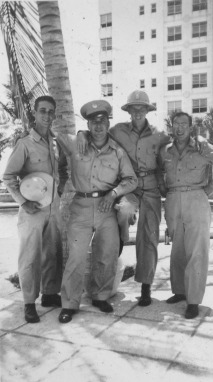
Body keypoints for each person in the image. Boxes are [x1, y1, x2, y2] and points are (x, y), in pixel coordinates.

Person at [77, 90, 171, 307]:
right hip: (128, 185)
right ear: (129, 111)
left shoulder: (160, 134)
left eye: (142, 108)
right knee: (124, 210)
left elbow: (170, 155)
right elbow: (96, 130)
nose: (138, 112)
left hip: (151, 189)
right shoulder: (117, 131)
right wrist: (82, 132)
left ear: (148, 110)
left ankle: (145, 287)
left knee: (149, 237)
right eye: (134, 108)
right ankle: (120, 237)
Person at [55, 100, 138, 323]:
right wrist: (79, 134)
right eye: (92, 122)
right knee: (76, 257)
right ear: (88, 125)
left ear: (108, 123)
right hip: (80, 207)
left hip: (106, 207)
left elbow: (132, 179)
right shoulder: (75, 143)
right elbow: (57, 136)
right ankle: (69, 304)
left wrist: (113, 194)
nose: (98, 126)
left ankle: (100, 296)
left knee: (106, 254)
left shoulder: (117, 152)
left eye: (102, 121)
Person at [159, 111, 213, 319]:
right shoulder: (166, 151)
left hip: (196, 200)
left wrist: (209, 189)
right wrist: (165, 191)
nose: (180, 127)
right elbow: (157, 173)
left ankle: (193, 301)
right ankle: (180, 292)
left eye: (184, 124)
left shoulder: (202, 147)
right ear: (172, 127)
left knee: (197, 252)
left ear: (190, 127)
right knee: (178, 250)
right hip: (174, 202)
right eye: (176, 124)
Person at [3, 95, 68, 323]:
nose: (47, 116)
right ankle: (29, 303)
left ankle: (50, 295)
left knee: (53, 253)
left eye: (51, 112)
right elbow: (8, 177)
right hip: (32, 211)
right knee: (30, 257)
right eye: (43, 111)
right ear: (35, 112)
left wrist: (59, 193)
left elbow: (63, 169)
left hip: (53, 208)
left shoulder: (55, 142)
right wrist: (23, 202)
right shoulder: (25, 143)